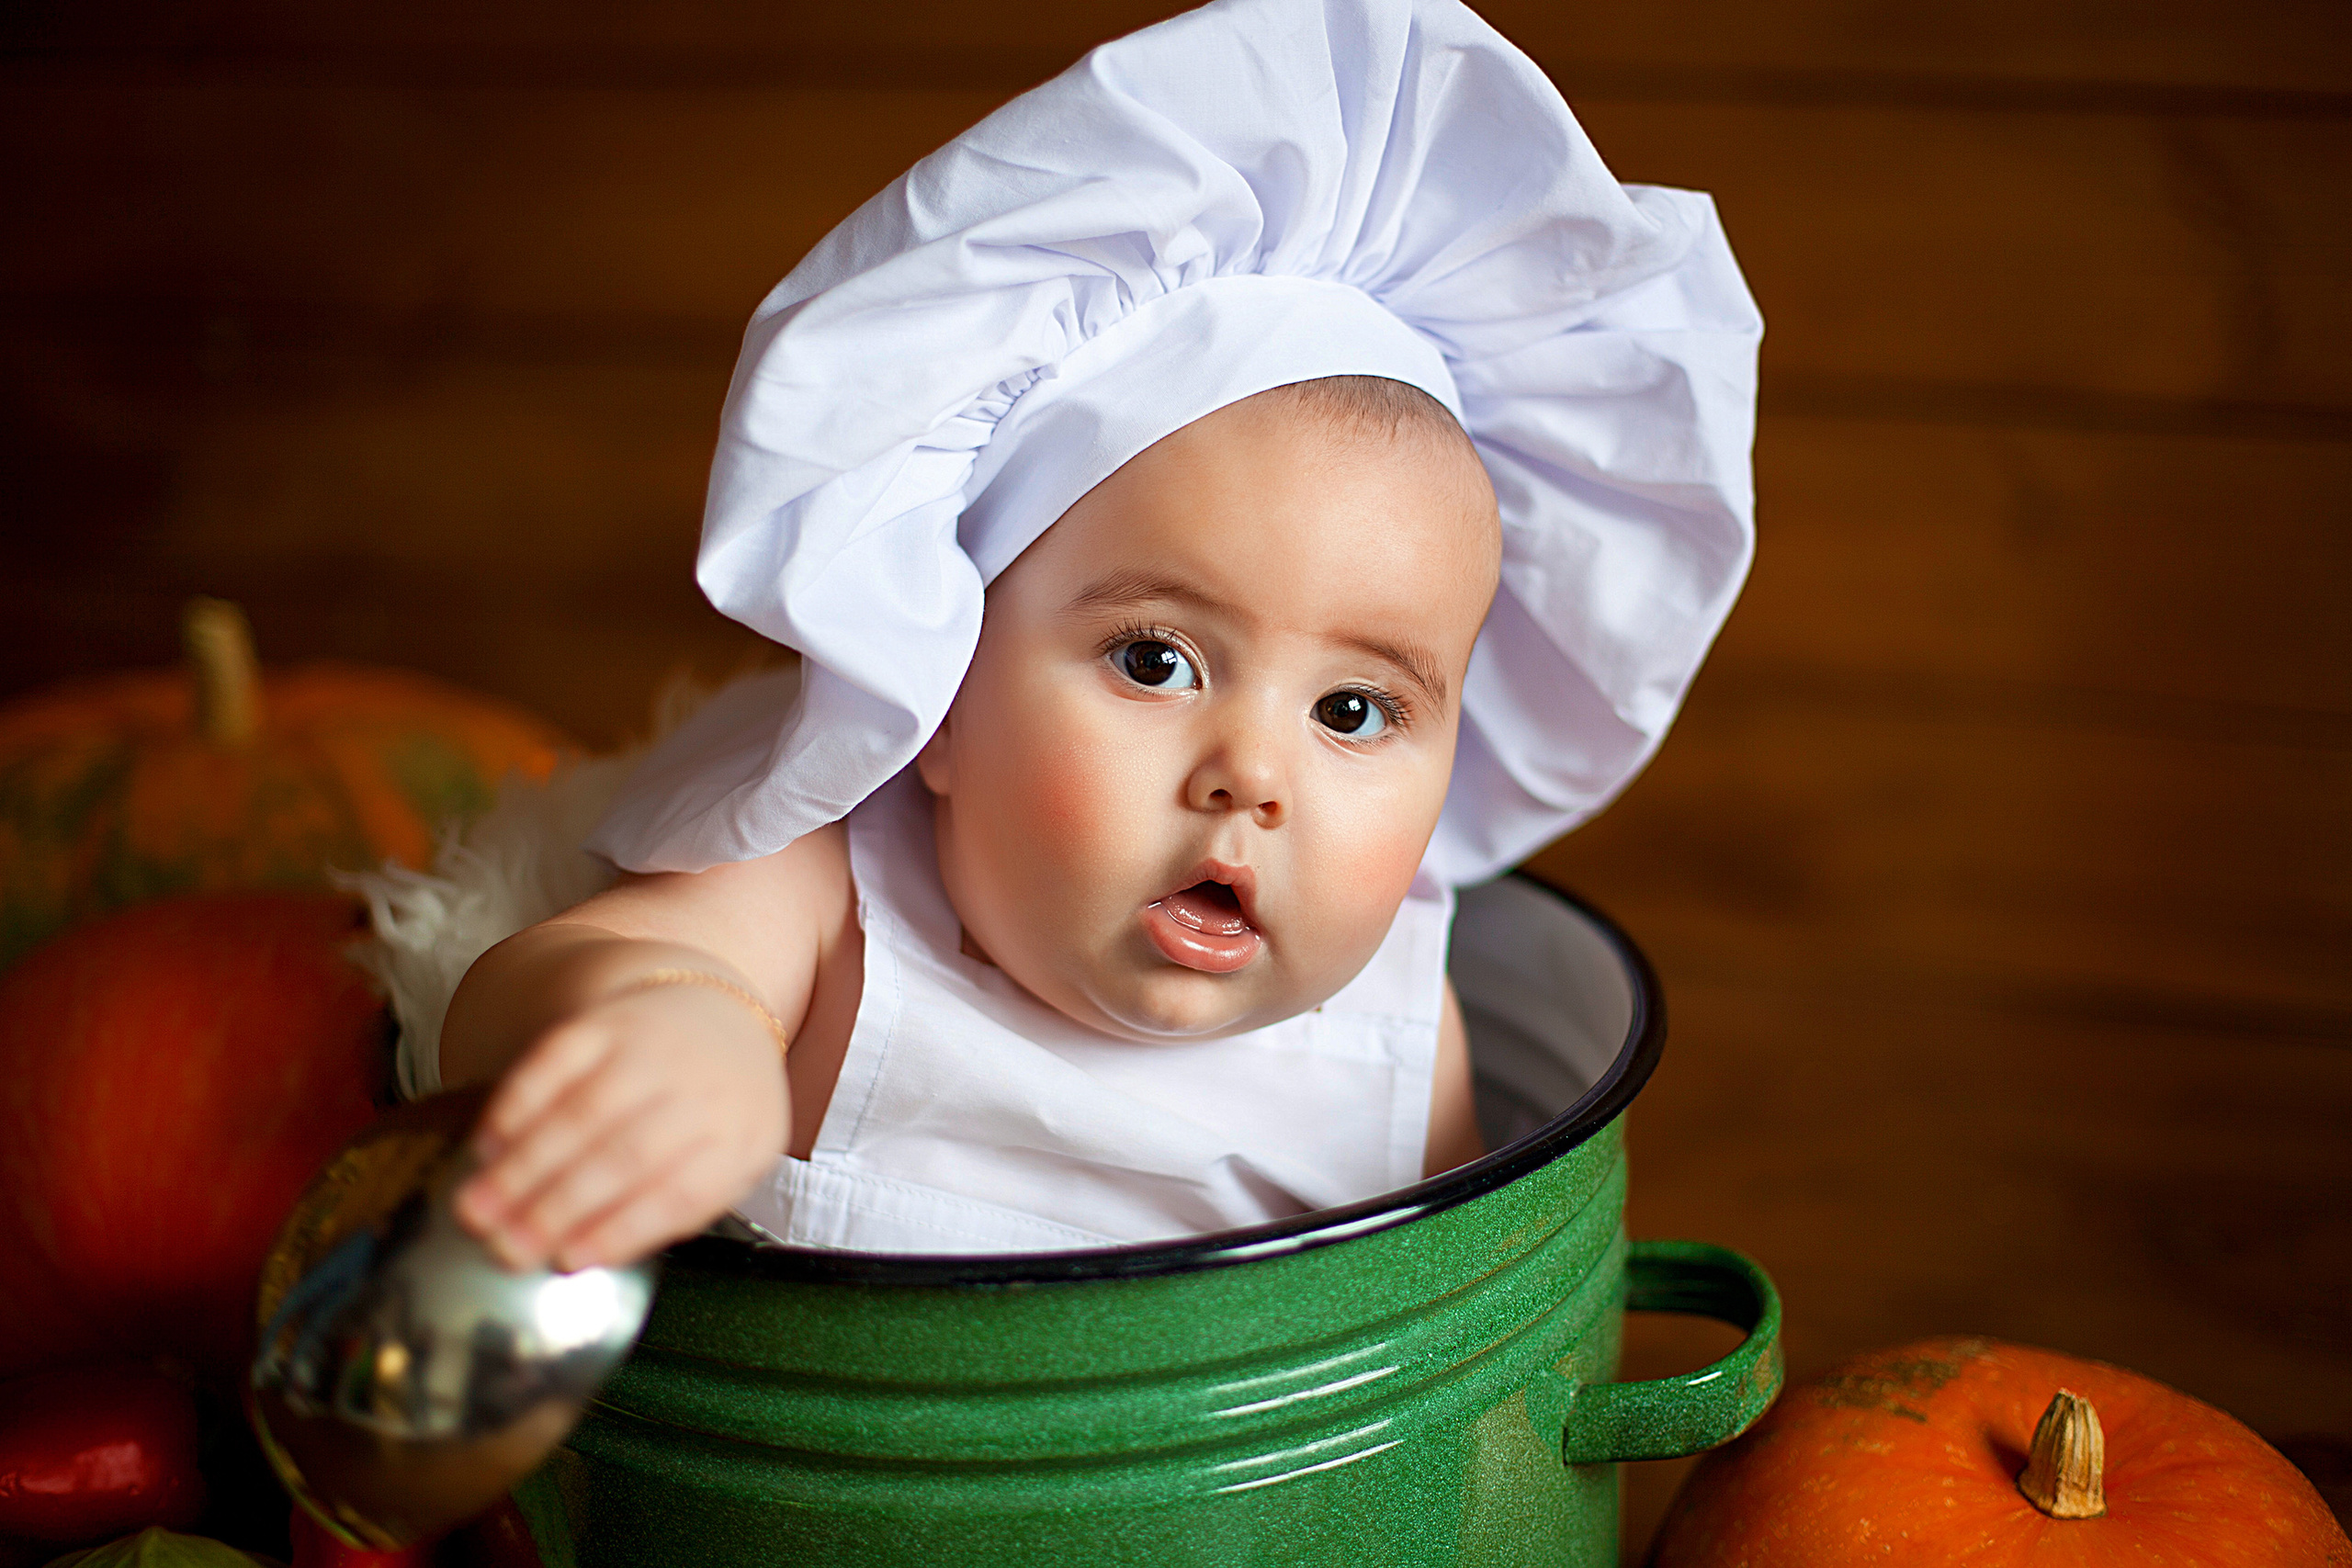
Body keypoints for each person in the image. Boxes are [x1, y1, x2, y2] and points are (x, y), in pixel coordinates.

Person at [426, 0, 1762, 1271]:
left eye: (1354, 711)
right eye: (1155, 660)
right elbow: (521, 993)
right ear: (944, 692)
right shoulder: (837, 885)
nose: (1251, 773)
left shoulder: (1404, 1031)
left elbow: (1450, 1336)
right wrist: (675, 1029)